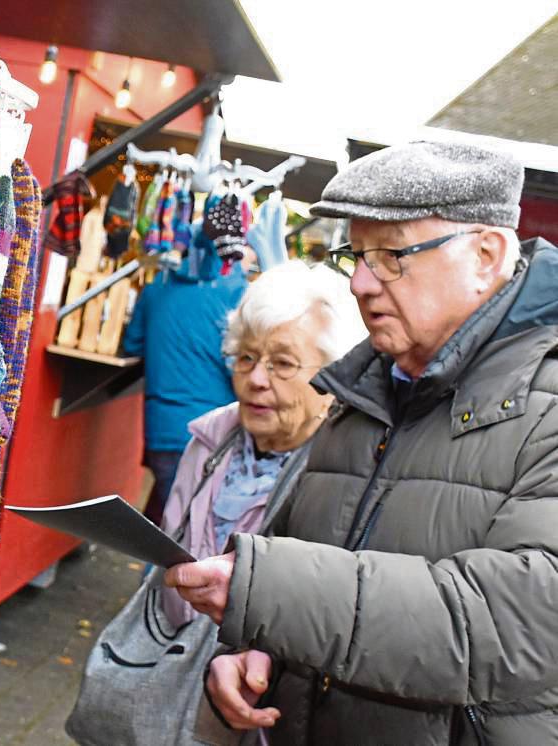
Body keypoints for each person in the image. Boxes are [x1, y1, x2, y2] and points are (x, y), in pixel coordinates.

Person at [165, 140, 558, 744]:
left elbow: (514, 622)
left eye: (393, 256)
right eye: (357, 255)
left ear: (486, 254)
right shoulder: (364, 389)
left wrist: (264, 593)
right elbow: (303, 551)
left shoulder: (547, 403)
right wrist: (256, 649)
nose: (361, 284)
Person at [160, 260, 365, 628]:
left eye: (282, 364)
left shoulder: (348, 471)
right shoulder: (209, 439)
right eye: (247, 357)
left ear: (336, 375)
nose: (255, 378)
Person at [124, 231, 247, 525]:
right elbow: (243, 364)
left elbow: (133, 345)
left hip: (162, 431)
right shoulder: (236, 293)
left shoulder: (157, 288)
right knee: (192, 536)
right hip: (215, 433)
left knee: (171, 524)